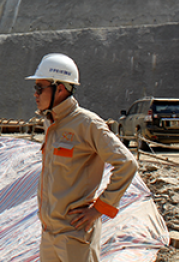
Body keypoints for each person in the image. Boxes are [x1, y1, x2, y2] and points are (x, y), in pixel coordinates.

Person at [26, 53, 138, 262]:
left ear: (60, 88)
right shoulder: (51, 122)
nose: (35, 94)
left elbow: (127, 164)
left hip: (75, 235)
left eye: (40, 88)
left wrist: (99, 209)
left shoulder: (87, 124)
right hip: (50, 233)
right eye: (36, 88)